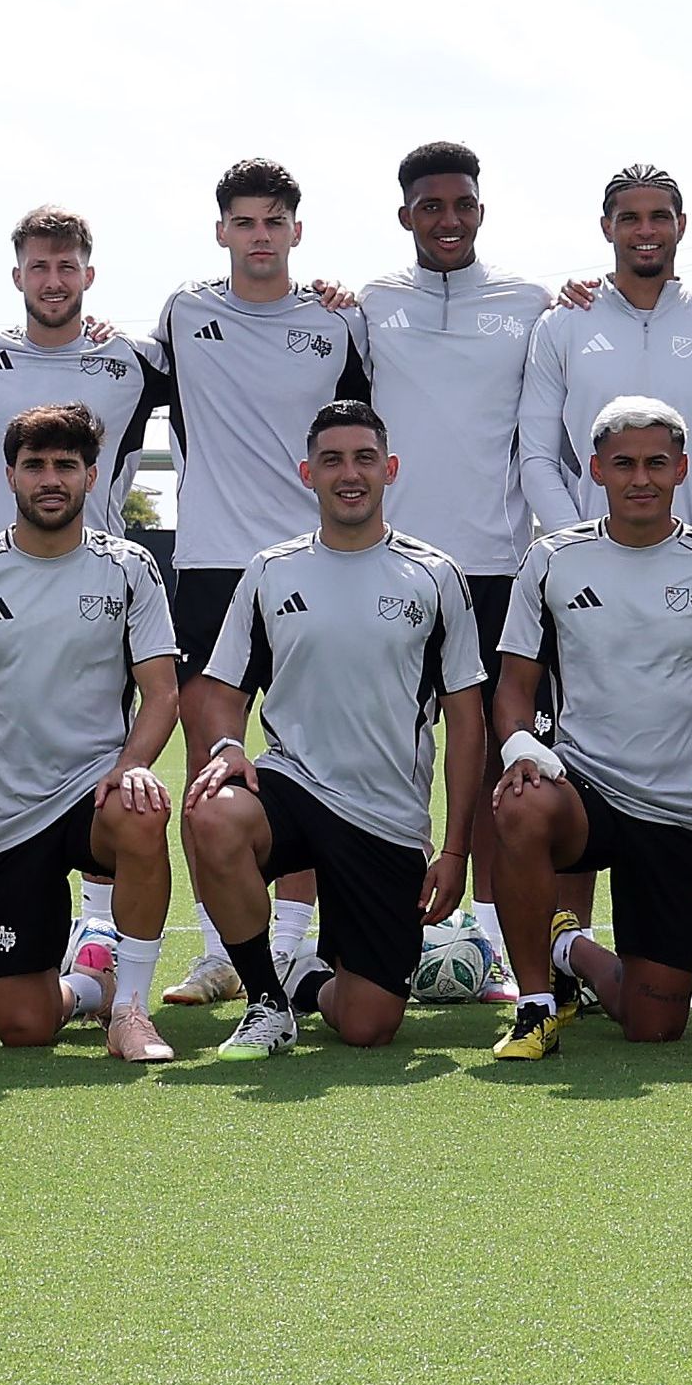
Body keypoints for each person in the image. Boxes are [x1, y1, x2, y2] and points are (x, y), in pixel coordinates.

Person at [177, 400, 492, 1056]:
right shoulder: (271, 571)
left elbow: (466, 721)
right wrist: (229, 748)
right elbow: (221, 689)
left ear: (389, 469)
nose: (349, 474)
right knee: (213, 813)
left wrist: (455, 849)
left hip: (385, 817)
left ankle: (308, 982)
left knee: (367, 1025)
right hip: (293, 782)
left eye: (363, 459)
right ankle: (265, 1001)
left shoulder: (435, 576)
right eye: (332, 461)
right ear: (307, 473)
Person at [150, 158, 371, 999]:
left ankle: (291, 945)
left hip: (312, 565)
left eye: (273, 222)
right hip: (211, 562)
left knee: (304, 756)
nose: (259, 237)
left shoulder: (335, 321)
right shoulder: (183, 312)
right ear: (221, 233)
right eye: (243, 222)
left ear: (295, 231)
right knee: (214, 759)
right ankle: (221, 952)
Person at [486, 397, 692, 1054]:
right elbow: (512, 688)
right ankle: (533, 1006)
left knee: (654, 1027)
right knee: (521, 803)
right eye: (623, 464)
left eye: (655, 464)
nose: (639, 478)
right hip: (584, 794)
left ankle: (567, 946)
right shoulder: (552, 560)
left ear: (682, 470)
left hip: (678, 812)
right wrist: (520, 746)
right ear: (595, 471)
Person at [0, 401, 183, 1064]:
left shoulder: (128, 567)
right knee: (23, 1026)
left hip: (94, 792)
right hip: (8, 817)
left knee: (141, 808)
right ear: (8, 476)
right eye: (34, 465)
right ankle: (93, 984)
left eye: (66, 465)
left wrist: (130, 763)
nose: (50, 479)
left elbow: (161, 692)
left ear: (91, 477)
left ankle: (131, 1011)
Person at [518, 165, 692, 577]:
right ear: (607, 227)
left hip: (691, 570)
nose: (645, 231)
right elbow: (538, 457)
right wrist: (577, 550)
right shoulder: (562, 324)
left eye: (659, 217)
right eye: (630, 218)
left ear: (680, 225)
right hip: (588, 573)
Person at [360, 143, 548, 665]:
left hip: (496, 563)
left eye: (464, 205)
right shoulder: (372, 301)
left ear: (481, 212)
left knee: (494, 735)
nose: (450, 220)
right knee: (389, 740)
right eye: (431, 207)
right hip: (393, 560)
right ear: (406, 216)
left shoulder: (530, 301)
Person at [0, 207, 167, 541]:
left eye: (67, 268)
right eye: (39, 267)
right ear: (18, 277)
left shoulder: (133, 362)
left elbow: (218, 377)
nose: (53, 282)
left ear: (88, 276)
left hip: (99, 580)